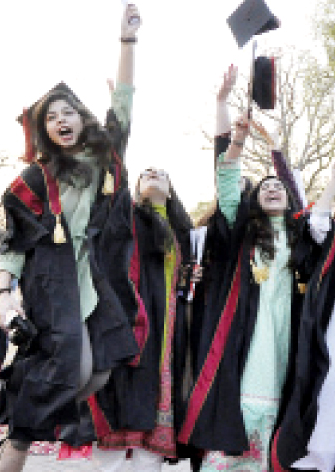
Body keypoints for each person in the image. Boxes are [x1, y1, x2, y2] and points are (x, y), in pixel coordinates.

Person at [0, 4, 143, 472]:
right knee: (68, 374)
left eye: (68, 111)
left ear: (81, 119)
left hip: (98, 281)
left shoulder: (105, 162)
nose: (61, 118)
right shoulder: (34, 180)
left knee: (99, 369)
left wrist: (127, 42)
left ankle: (30, 403)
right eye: (51, 116)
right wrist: (2, 295)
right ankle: (21, 430)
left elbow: (123, 104)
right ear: (44, 129)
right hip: (52, 285)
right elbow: (14, 243)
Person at [177, 110, 313, 471]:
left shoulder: (302, 237)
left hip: (286, 331)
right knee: (242, 399)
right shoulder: (242, 231)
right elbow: (226, 181)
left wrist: (277, 147)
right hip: (245, 333)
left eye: (278, 187)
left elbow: (303, 195)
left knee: (279, 405)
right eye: (265, 185)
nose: (271, 188)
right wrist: (237, 140)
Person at [271, 153, 335, 472]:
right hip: (321, 325)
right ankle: (310, 455)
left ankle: (330, 459)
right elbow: (317, 222)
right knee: (319, 384)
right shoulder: (327, 237)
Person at [93, 167, 193, 471]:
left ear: (172, 188)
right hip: (127, 322)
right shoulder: (125, 217)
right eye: (146, 172)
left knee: (151, 429)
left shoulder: (183, 231)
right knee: (118, 404)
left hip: (168, 330)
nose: (152, 172)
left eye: (162, 173)